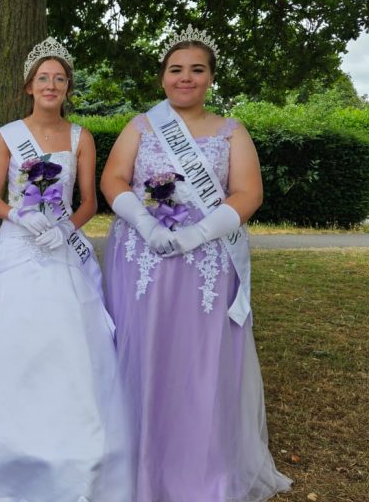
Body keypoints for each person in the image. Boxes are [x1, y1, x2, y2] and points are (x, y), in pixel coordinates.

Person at [100, 25, 293, 501]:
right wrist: (148, 227)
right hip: (142, 260)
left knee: (198, 362)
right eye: (176, 70)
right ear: (163, 78)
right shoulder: (141, 125)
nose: (185, 78)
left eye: (196, 70)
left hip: (205, 263)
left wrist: (196, 234)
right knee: (142, 355)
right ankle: (139, 466)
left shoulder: (231, 131)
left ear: (210, 78)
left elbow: (249, 193)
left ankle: (200, 470)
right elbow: (113, 179)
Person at [0, 37, 131, 501]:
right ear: (29, 86)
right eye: (43, 78)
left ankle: (74, 444)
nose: (51, 85)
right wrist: (20, 216)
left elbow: (90, 200)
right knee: (15, 342)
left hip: (61, 248)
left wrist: (66, 230)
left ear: (67, 87)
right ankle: (8, 448)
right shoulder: (6, 135)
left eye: (59, 78)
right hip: (17, 247)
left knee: (69, 343)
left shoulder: (81, 137)